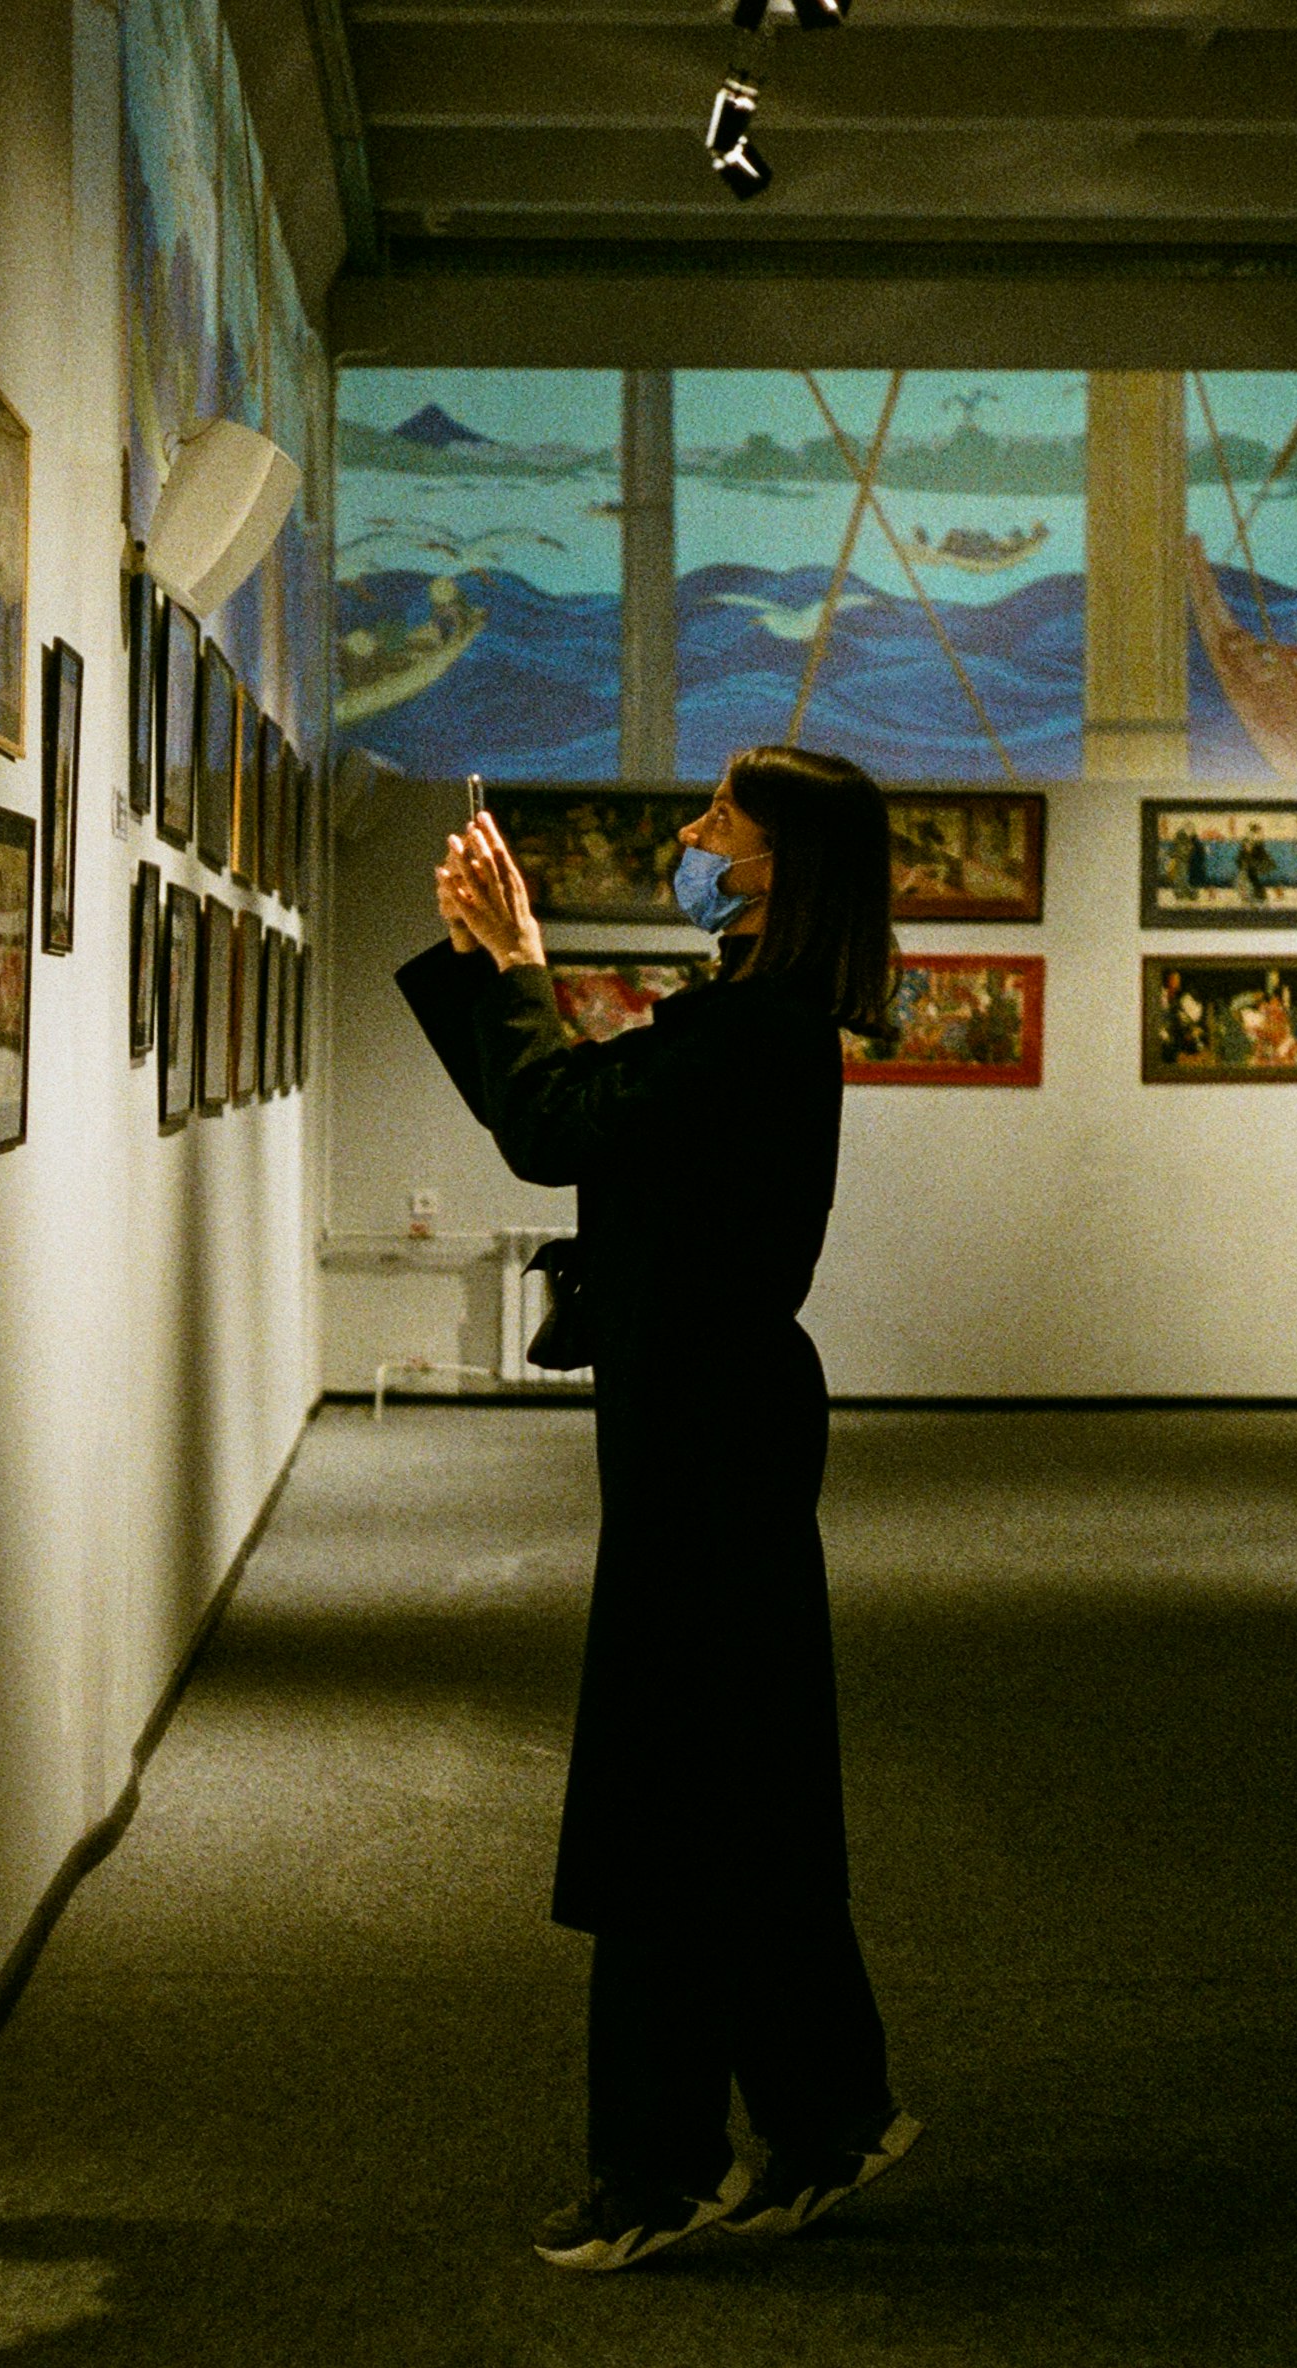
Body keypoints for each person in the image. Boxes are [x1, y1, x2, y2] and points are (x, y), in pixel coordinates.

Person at [399, 747, 924, 2273]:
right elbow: (596, 1130)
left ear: (775, 870)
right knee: (732, 1788)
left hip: (710, 1440)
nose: (689, 841)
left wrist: (515, 964)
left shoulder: (754, 1035)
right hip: (713, 1428)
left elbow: (558, 1129)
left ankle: (662, 2165)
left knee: (663, 1800)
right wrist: (514, 968)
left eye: (716, 825)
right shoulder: (753, 1026)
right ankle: (821, 2112)